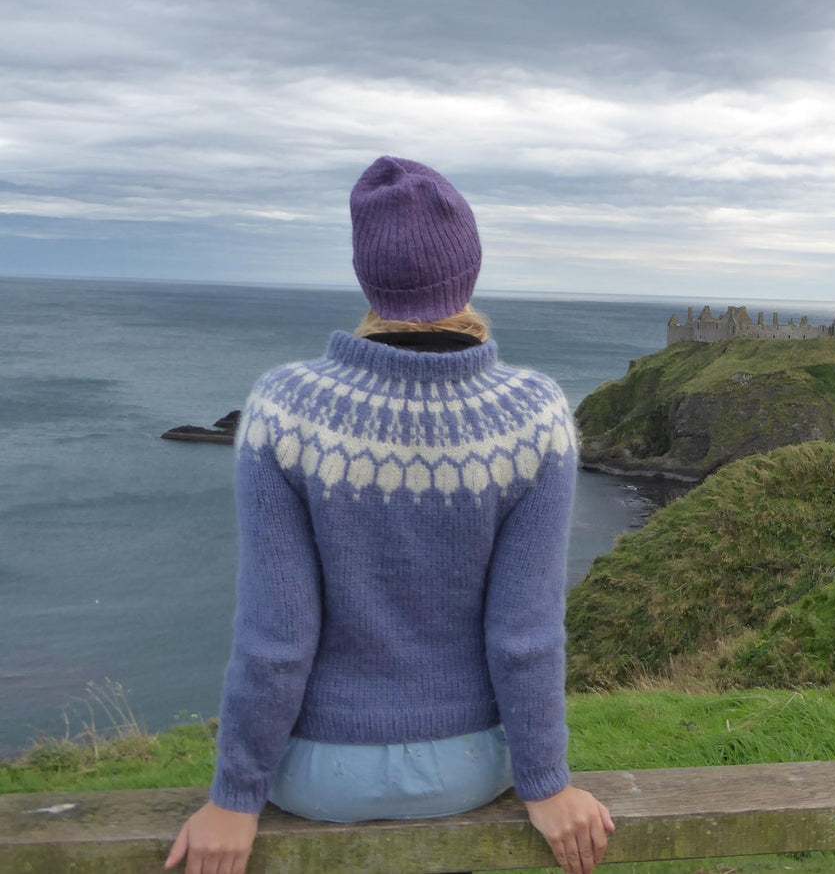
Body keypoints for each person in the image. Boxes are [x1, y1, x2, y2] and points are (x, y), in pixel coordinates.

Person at [167, 157, 613, 874]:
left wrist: (235, 796)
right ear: (469, 267)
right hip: (470, 765)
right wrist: (547, 783)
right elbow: (524, 632)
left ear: (364, 273)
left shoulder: (284, 407)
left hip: (317, 775)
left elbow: (276, 636)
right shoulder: (533, 415)